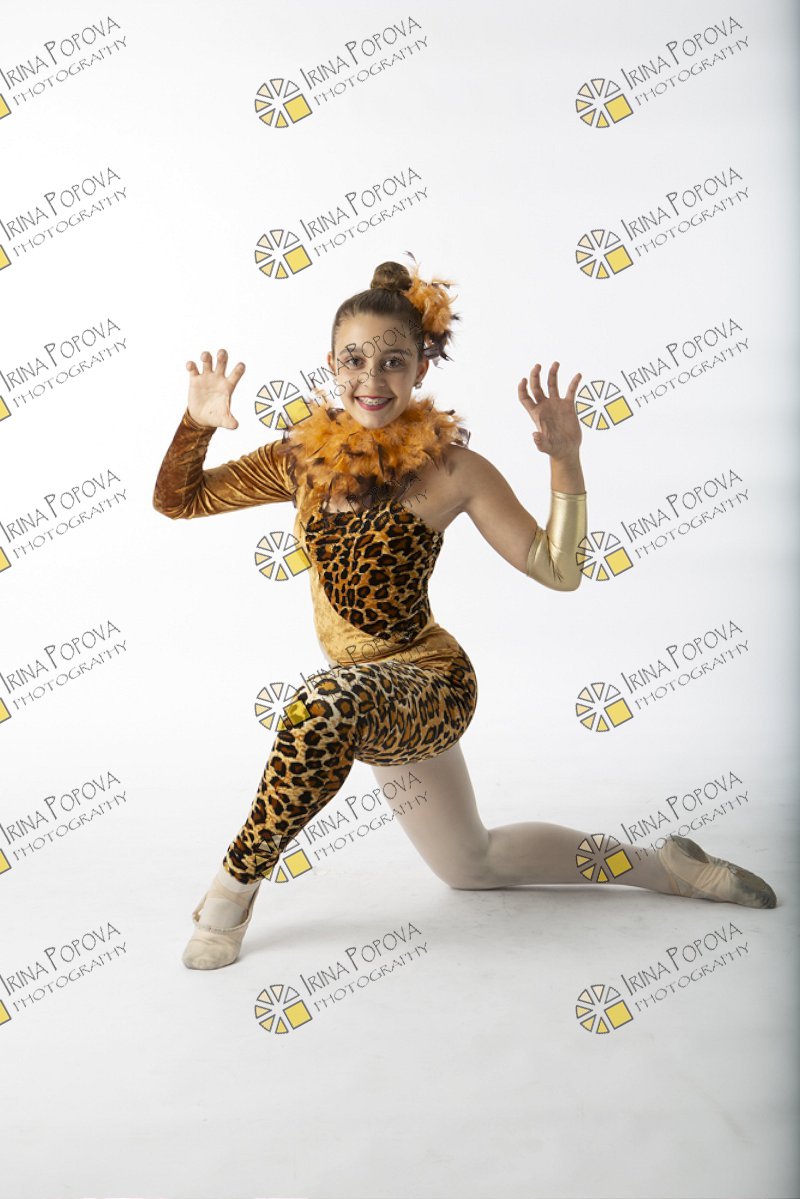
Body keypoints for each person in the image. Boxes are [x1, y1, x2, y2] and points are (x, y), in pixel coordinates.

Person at [152, 254, 777, 971]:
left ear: (421, 368)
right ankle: (665, 867)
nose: (372, 378)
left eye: (393, 361)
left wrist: (566, 459)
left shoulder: (453, 471)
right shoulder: (300, 458)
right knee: (472, 864)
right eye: (355, 359)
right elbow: (179, 500)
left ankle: (230, 891)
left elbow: (559, 570)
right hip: (369, 695)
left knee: (319, 707)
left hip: (429, 682)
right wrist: (195, 424)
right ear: (331, 364)